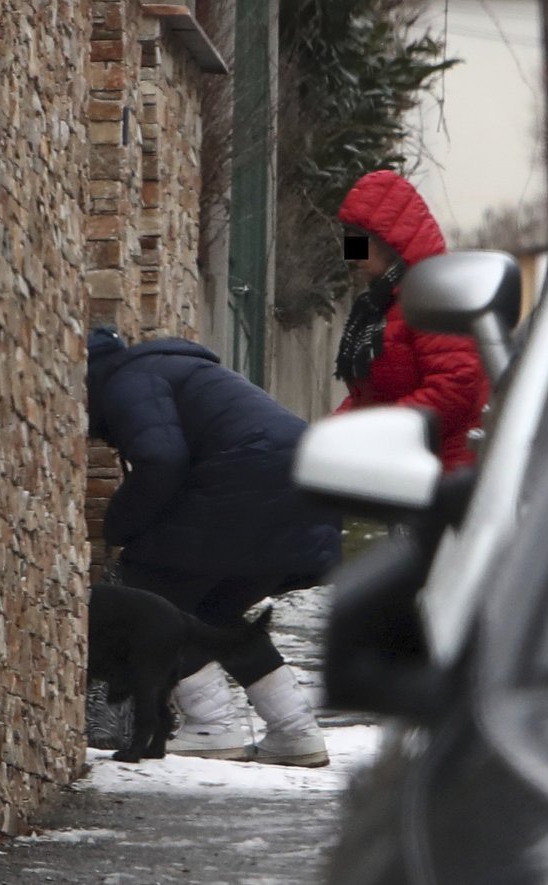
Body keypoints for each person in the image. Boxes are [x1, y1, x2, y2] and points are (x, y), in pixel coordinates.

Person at [86, 327, 341, 767]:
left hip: (250, 480)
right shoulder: (173, 369)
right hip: (307, 480)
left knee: (152, 597)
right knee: (214, 616)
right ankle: (295, 731)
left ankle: (212, 725)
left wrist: (119, 526)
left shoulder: (126, 381)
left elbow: (161, 459)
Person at [335, 169, 488, 471]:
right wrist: (323, 436)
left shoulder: (435, 294)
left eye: (357, 242)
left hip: (445, 475)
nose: (351, 256)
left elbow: (456, 385)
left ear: (386, 240)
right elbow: (368, 398)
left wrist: (380, 431)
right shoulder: (381, 304)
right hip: (406, 467)